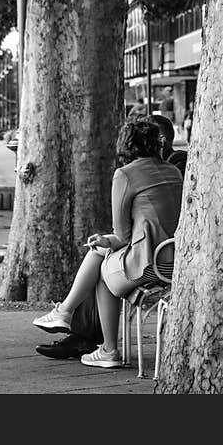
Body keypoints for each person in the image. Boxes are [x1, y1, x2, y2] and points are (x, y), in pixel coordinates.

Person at [35, 114, 182, 360]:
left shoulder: (126, 174)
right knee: (99, 253)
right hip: (176, 260)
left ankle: (106, 347)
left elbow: (123, 235)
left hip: (149, 264)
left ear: (126, 144)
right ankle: (66, 314)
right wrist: (106, 241)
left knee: (102, 268)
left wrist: (107, 240)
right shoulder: (173, 171)